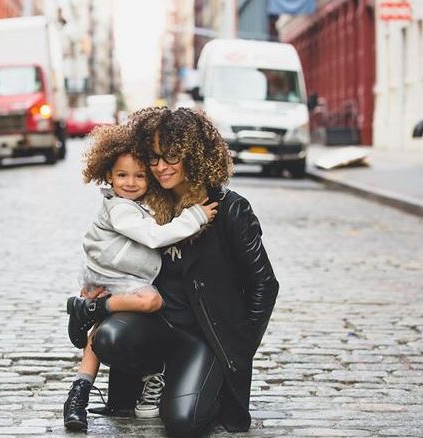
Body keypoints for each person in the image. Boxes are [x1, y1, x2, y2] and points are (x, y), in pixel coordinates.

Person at [88, 107, 280, 437]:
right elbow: (106, 246)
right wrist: (94, 285)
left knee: (182, 422)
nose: (161, 167)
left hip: (203, 335)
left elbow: (265, 283)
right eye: (154, 157)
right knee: (109, 338)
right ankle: (157, 374)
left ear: (193, 154)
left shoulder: (230, 209)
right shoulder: (147, 203)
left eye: (171, 156)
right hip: (158, 325)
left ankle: (204, 381)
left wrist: (237, 347)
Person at [63, 124, 218, 431]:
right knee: (151, 300)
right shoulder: (120, 209)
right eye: (122, 175)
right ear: (108, 176)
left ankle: (77, 392)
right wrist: (196, 217)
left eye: (139, 175)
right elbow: (152, 237)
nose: (131, 183)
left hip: (114, 275)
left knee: (97, 334)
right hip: (118, 277)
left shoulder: (138, 203)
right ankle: (95, 311)